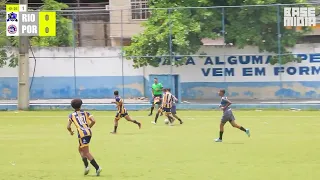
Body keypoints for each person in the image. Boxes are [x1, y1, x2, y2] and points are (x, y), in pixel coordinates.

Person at [67, 99, 102, 176]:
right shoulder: (86, 113)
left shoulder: (71, 115)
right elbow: (93, 120)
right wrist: (88, 127)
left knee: (86, 152)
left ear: (72, 106)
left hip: (82, 134)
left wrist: (71, 132)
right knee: (80, 149)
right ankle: (86, 167)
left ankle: (97, 167)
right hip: (89, 133)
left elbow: (68, 126)